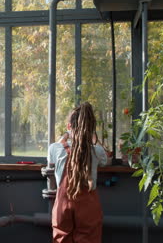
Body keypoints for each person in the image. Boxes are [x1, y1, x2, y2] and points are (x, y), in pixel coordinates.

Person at [47, 102, 107, 243]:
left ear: (69, 127)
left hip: (63, 206)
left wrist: (65, 136)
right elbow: (105, 161)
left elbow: (51, 159)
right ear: (91, 129)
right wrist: (90, 137)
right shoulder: (97, 151)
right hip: (88, 207)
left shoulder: (56, 148)